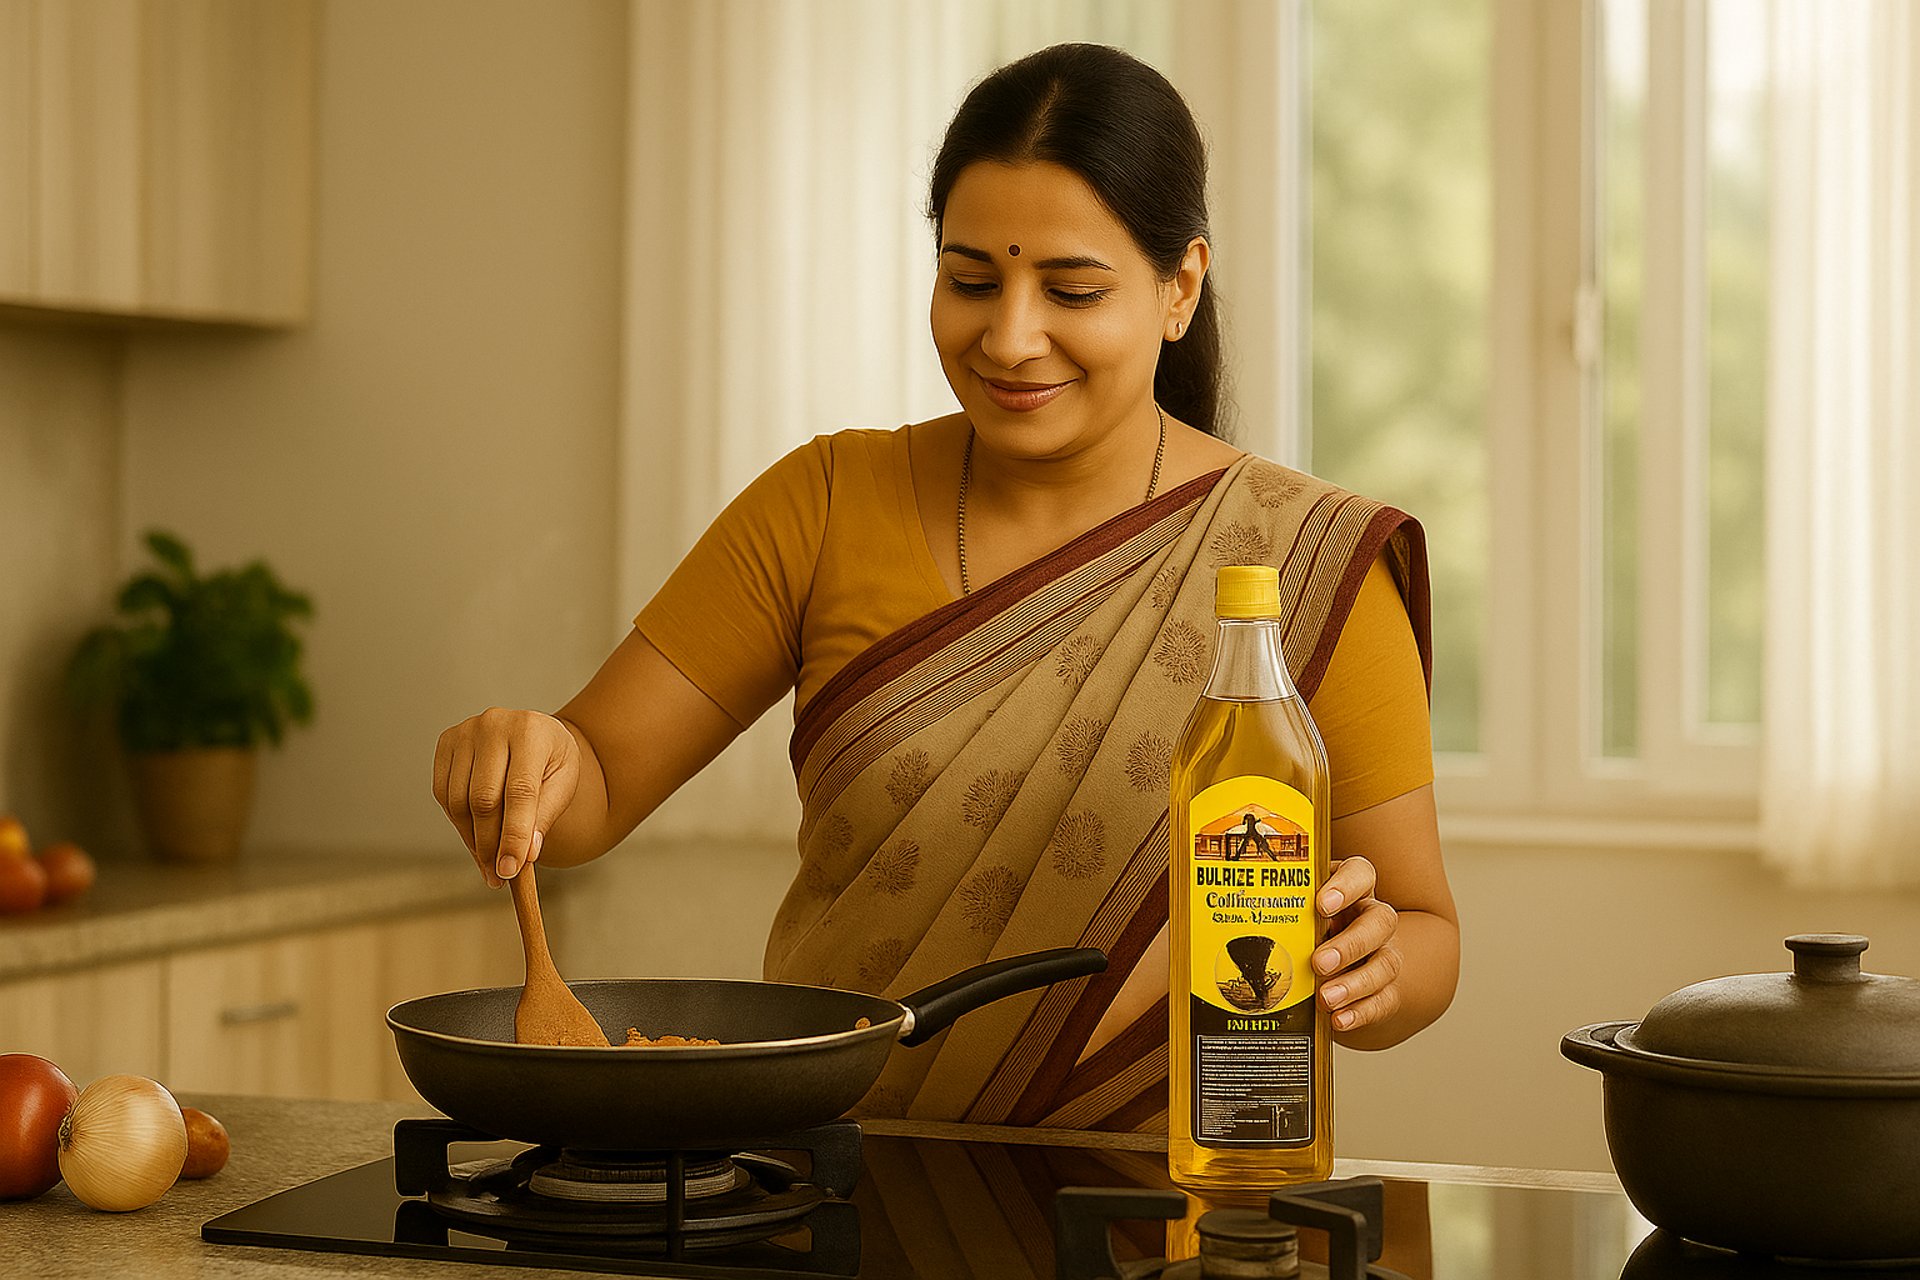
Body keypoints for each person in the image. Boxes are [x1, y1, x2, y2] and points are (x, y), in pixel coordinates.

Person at [432, 42, 1459, 1129]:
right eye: (971, 280)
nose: (1010, 337)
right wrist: (528, 760)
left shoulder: (1304, 558)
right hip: (840, 1183)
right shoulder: (825, 499)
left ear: (1179, 287)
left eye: (1070, 289)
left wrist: (1375, 968)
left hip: (1185, 1208)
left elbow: (1424, 929)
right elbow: (592, 783)